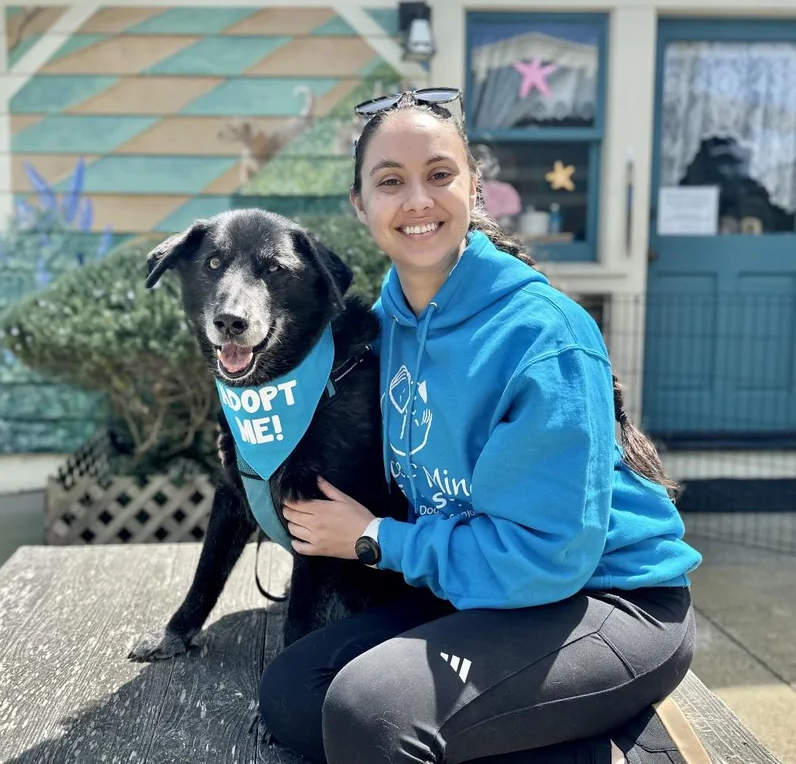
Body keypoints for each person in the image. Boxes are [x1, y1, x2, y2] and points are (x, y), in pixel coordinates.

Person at [257, 88, 704, 764]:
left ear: (474, 187)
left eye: (439, 175)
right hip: (490, 592)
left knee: (370, 713)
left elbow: (548, 558)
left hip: (605, 599)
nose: (417, 200)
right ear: (360, 205)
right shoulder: (390, 319)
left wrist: (376, 540)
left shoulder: (541, 336)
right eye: (390, 181)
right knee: (295, 695)